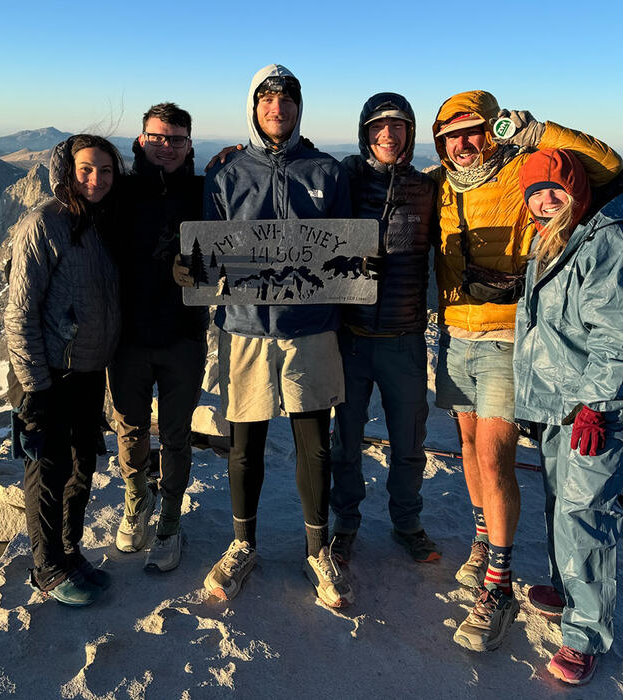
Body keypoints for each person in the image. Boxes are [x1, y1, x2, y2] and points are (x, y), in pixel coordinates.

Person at [429, 90, 623, 652]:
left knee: (495, 459)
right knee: (467, 445)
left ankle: (500, 584)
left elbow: (605, 165)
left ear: (491, 130)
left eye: (473, 132)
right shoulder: (440, 184)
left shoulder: (519, 171)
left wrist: (535, 133)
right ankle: (482, 541)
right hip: (453, 336)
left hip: (507, 339)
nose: (463, 145)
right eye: (451, 137)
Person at [185, 64, 353, 608]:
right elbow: (205, 258)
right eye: (267, 101)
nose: (277, 109)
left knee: (315, 443)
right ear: (254, 108)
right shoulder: (227, 174)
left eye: (286, 101)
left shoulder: (326, 171)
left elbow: (348, 254)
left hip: (310, 327)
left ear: (299, 108)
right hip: (245, 328)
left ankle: (316, 549)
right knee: (244, 443)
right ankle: (242, 544)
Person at [514, 149, 623, 684]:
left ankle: (585, 635)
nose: (545, 199)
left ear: (578, 191)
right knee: (563, 503)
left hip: (597, 410)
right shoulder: (559, 238)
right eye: (536, 192)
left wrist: (598, 408)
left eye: (556, 189)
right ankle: (564, 587)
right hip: (562, 402)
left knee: (586, 514)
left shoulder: (611, 245)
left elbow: (621, 339)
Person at [4, 135, 123, 606]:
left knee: (81, 466)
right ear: (66, 171)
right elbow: (19, 313)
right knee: (47, 470)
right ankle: (47, 567)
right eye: (86, 169)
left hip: (87, 369)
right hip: (48, 372)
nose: (96, 179)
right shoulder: (43, 223)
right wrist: (35, 387)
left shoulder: (97, 222)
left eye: (106, 170)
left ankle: (70, 551)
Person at [328, 93, 439, 565]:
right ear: (364, 132)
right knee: (346, 440)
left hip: (405, 338)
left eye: (398, 127)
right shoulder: (344, 178)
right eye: (378, 127)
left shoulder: (428, 188)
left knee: (410, 441)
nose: (388, 136)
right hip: (350, 336)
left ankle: (406, 521)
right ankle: (345, 523)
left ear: (410, 135)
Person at [108, 103, 207, 572]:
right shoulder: (117, 192)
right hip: (126, 335)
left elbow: (231, 255)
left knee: (175, 434)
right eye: (157, 137)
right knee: (128, 427)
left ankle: (169, 517)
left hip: (184, 334)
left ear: (189, 143)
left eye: (176, 138)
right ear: (140, 141)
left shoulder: (204, 193)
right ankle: (137, 499)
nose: (165, 146)